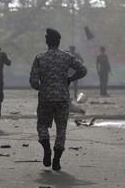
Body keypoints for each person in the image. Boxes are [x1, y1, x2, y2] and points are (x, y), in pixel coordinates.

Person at [29, 28, 87, 171]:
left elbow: (33, 81)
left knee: (42, 125)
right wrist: (69, 79)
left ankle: (47, 148)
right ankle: (57, 160)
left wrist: (40, 87)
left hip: (45, 99)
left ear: (47, 42)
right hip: (62, 99)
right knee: (61, 129)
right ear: (59, 42)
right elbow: (83, 70)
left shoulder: (40, 58)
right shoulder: (66, 57)